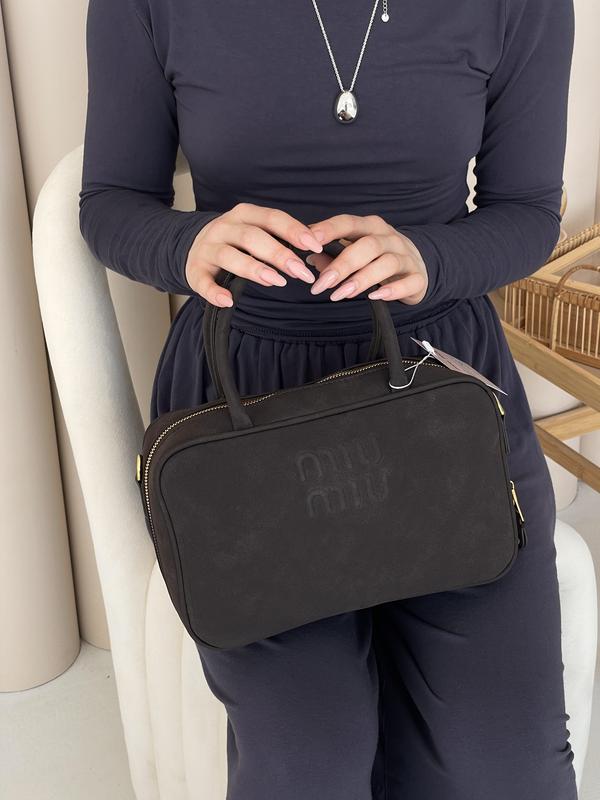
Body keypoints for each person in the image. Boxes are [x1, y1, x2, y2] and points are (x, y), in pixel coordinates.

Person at [78, 1, 578, 798]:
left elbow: (527, 211)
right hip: (246, 408)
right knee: (311, 763)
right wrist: (189, 242)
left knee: (504, 768)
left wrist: (432, 256)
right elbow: (110, 201)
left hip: (439, 396)